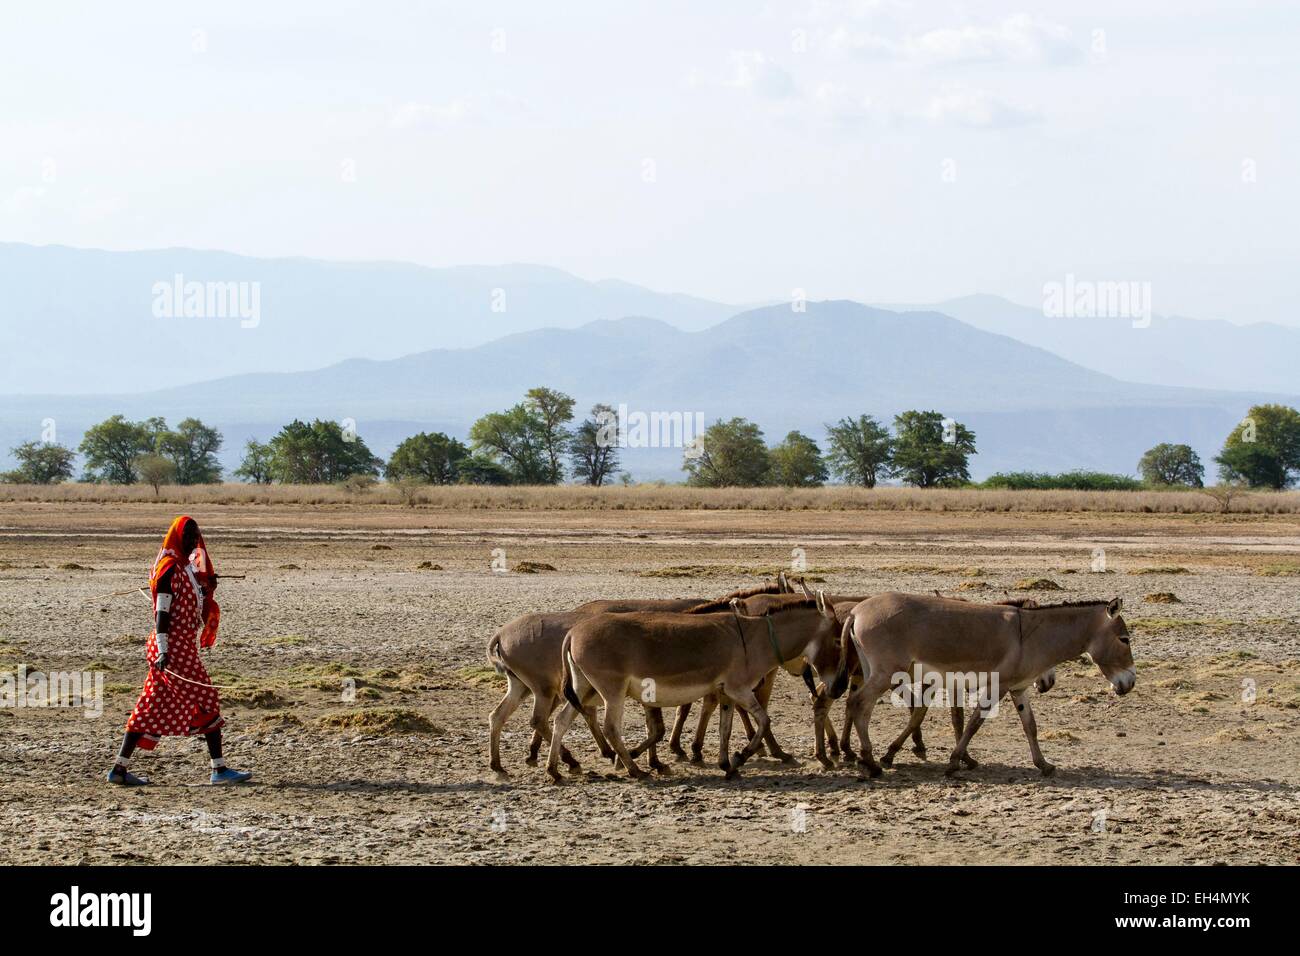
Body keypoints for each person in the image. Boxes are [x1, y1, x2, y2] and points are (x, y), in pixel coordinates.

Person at [107, 516, 252, 786]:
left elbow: (192, 595)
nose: (191, 544)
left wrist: (207, 585)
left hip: (179, 647)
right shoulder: (169, 569)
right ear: (177, 538)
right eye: (188, 539)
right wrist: (164, 651)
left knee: (149, 707)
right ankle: (219, 770)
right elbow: (162, 614)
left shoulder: (184, 568)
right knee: (207, 696)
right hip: (172, 648)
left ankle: (119, 769)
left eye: (194, 540)